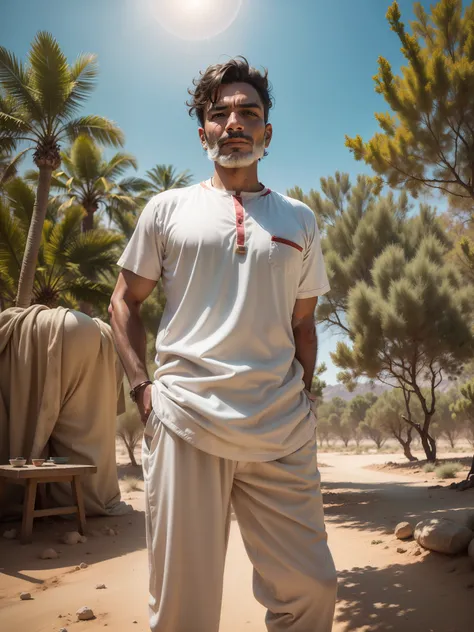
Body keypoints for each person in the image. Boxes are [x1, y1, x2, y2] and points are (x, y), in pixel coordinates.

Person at [109, 57, 337, 632]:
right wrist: (143, 391)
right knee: (183, 610)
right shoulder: (166, 210)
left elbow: (303, 324)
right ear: (203, 131)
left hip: (280, 429)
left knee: (311, 590)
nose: (234, 121)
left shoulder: (300, 219)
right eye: (220, 113)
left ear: (267, 132)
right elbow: (123, 303)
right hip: (185, 421)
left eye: (248, 112)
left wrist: (303, 397)